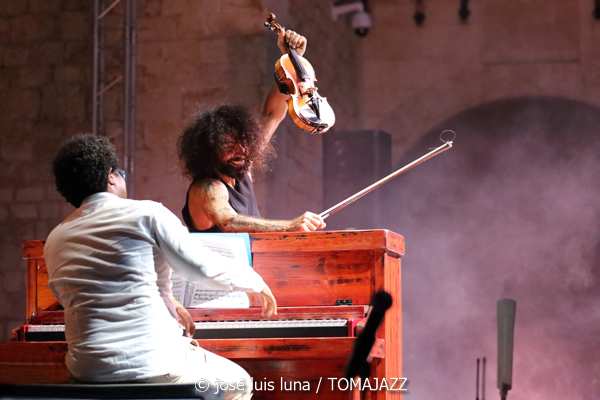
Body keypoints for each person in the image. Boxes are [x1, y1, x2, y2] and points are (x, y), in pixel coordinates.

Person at [45, 134, 277, 399]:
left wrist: (171, 302)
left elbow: (86, 293)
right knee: (239, 383)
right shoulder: (146, 213)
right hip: (153, 364)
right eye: (119, 173)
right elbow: (198, 267)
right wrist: (254, 281)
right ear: (111, 177)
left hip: (87, 371)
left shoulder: (55, 238)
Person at [178, 28, 326, 233]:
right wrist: (290, 226)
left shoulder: (242, 171)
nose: (241, 151)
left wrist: (291, 61)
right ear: (208, 149)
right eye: (229, 145)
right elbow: (228, 221)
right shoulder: (207, 188)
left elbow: (272, 114)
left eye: (244, 143)